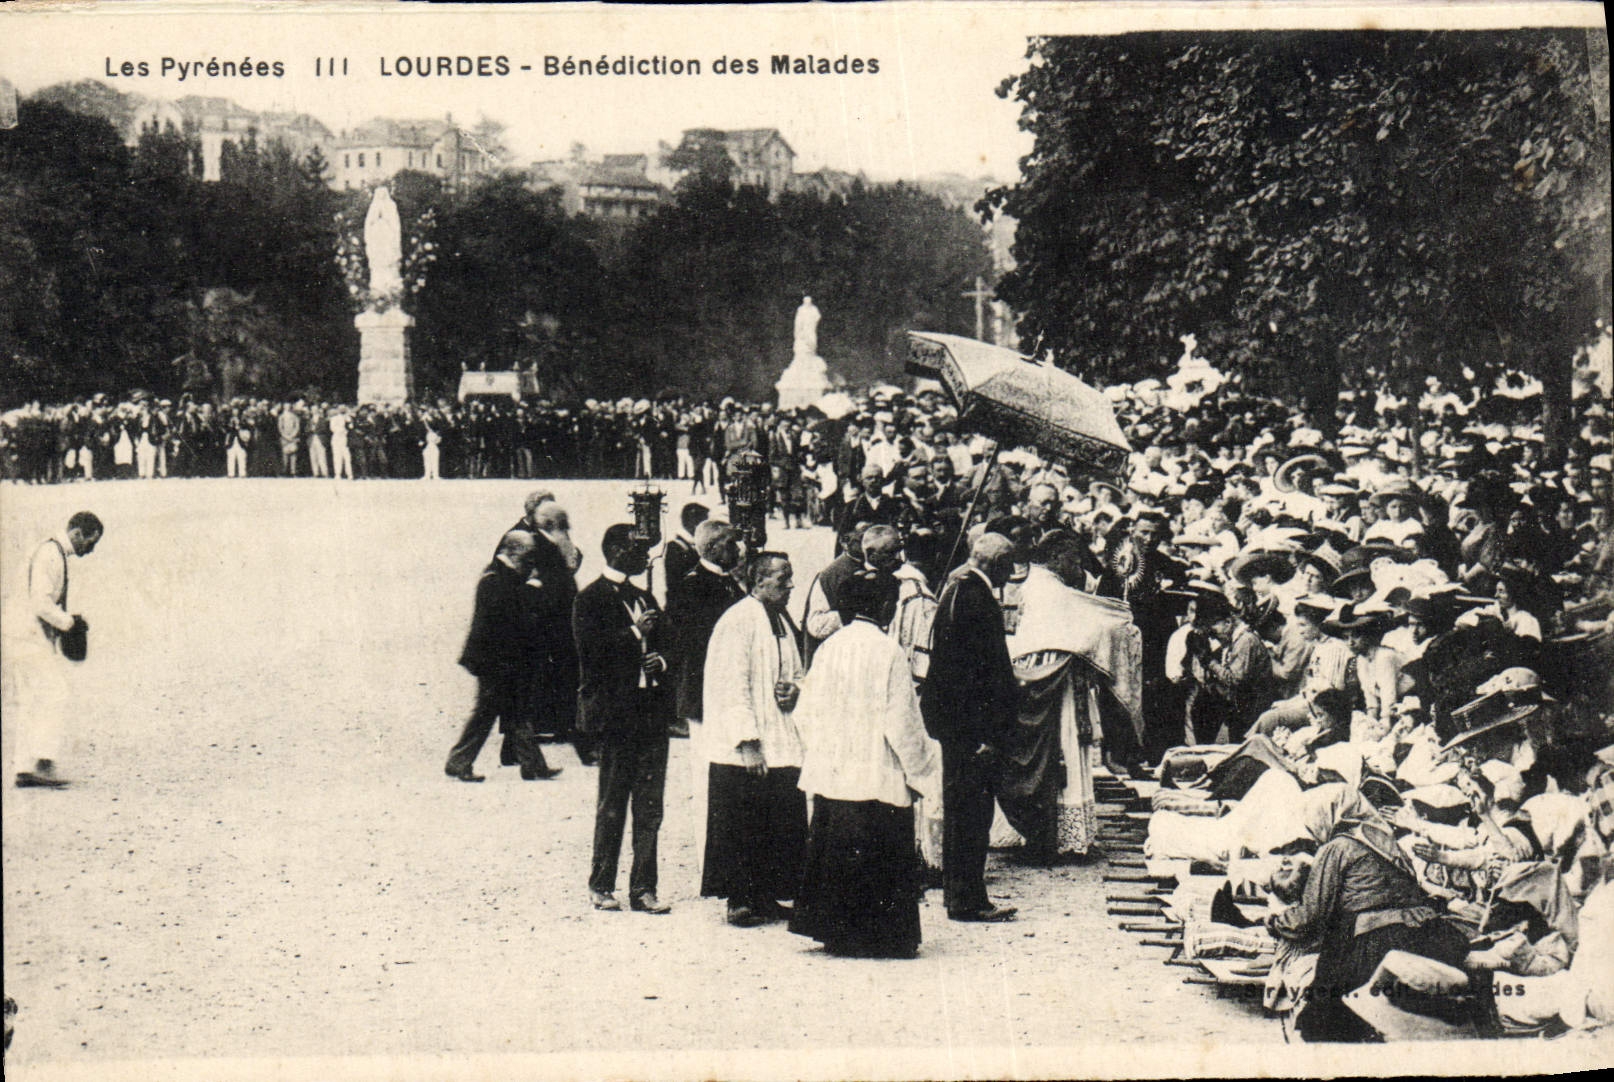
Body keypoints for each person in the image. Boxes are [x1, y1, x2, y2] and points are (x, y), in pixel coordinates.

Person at [790, 570, 941, 958]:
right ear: (887, 607)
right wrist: (921, 769)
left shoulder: (829, 647)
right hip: (876, 771)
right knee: (878, 851)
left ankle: (835, 932)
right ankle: (879, 937)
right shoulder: (887, 650)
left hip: (835, 773)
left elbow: (804, 713)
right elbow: (902, 722)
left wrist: (825, 751)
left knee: (834, 850)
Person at [700, 552, 808, 927]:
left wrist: (794, 690)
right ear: (759, 581)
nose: (790, 585)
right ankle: (739, 897)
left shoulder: (780, 618)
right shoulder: (738, 620)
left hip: (780, 735)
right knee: (742, 818)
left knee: (776, 817)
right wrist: (747, 740)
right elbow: (730, 684)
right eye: (783, 579)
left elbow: (796, 671)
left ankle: (766, 893)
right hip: (747, 744)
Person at [922, 532, 1021, 922]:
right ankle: (967, 899)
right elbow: (977, 675)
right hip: (971, 728)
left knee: (963, 809)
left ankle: (960, 893)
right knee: (971, 812)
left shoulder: (956, 587)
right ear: (995, 564)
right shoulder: (977, 598)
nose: (1010, 574)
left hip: (955, 724)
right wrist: (986, 733)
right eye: (1007, 566)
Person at [575, 525, 673, 914]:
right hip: (617, 717)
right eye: (637, 548)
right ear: (614, 550)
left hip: (650, 714)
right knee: (613, 803)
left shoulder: (644, 596)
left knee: (650, 807)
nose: (645, 556)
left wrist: (659, 659)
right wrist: (636, 633)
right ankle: (601, 885)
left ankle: (644, 889)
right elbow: (590, 654)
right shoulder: (590, 599)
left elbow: (668, 640)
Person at [443, 530, 562, 783]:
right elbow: (509, 615)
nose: (532, 564)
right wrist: (532, 590)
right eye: (529, 557)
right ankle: (459, 761)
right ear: (514, 552)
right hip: (494, 661)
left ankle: (533, 765)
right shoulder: (495, 579)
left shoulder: (502, 576)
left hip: (504, 660)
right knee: (488, 713)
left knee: (517, 712)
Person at [666, 520, 746, 872]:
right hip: (705, 697)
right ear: (712, 547)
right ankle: (709, 863)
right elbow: (692, 646)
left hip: (726, 696)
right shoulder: (691, 587)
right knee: (708, 780)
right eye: (731, 544)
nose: (738, 550)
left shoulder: (730, 583)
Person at [14, 511, 103, 789]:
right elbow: (40, 603)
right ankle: (42, 763)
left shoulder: (53, 551)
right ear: (77, 534)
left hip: (23, 632)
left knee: (33, 698)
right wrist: (69, 624)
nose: (90, 549)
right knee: (55, 692)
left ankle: (24, 767)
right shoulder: (51, 554)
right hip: (27, 634)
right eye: (90, 542)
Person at [662, 502, 708, 590]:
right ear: (695, 523)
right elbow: (674, 584)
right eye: (704, 523)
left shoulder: (695, 545)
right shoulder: (676, 547)